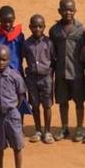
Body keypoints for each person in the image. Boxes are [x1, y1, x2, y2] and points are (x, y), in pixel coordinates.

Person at [50, 0, 85, 140]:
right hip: (60, 72)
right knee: (62, 101)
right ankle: (64, 127)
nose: (68, 13)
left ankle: (80, 127)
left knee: (79, 101)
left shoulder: (81, 30)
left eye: (71, 10)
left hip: (77, 72)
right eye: (65, 10)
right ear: (59, 11)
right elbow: (52, 51)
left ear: (75, 10)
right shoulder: (54, 30)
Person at [22, 13, 55, 144]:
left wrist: (50, 75)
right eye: (34, 26)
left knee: (47, 105)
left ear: (44, 27)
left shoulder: (49, 43)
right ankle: (38, 130)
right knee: (35, 105)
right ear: (30, 27)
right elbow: (23, 58)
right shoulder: (26, 44)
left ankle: (47, 131)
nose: (37, 29)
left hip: (46, 78)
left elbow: (53, 60)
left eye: (40, 26)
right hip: (32, 79)